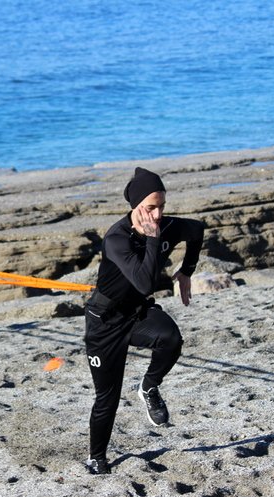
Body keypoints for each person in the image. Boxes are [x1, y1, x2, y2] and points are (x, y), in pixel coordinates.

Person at [83, 167, 205, 474]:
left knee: (172, 339)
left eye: (162, 206)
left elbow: (197, 230)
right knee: (107, 398)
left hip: (137, 314)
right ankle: (97, 457)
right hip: (105, 323)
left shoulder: (167, 226)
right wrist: (153, 239)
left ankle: (149, 387)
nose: (158, 214)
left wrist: (186, 269)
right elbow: (144, 282)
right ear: (135, 206)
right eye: (151, 207)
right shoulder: (116, 238)